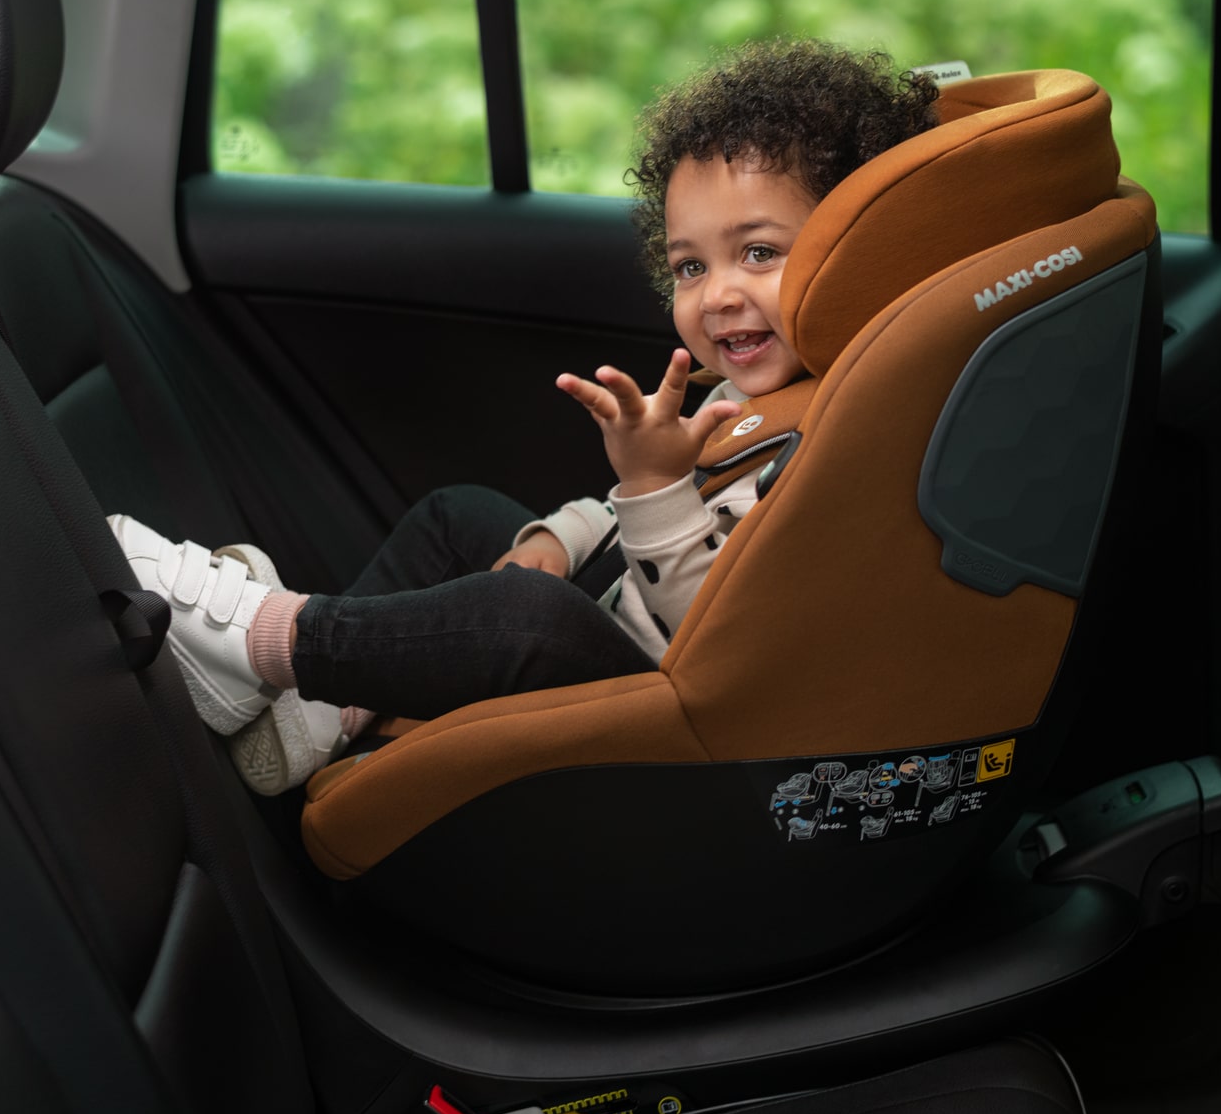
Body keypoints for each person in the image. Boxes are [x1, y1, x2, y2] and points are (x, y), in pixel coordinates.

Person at [112, 40, 941, 793]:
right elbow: (625, 521)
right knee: (459, 517)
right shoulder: (750, 399)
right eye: (691, 266)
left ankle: (262, 639)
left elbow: (720, 643)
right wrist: (563, 537)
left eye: (759, 253)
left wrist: (653, 486)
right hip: (625, 625)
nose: (717, 294)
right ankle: (321, 715)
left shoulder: (848, 441)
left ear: (856, 250)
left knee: (528, 620)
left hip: (676, 724)